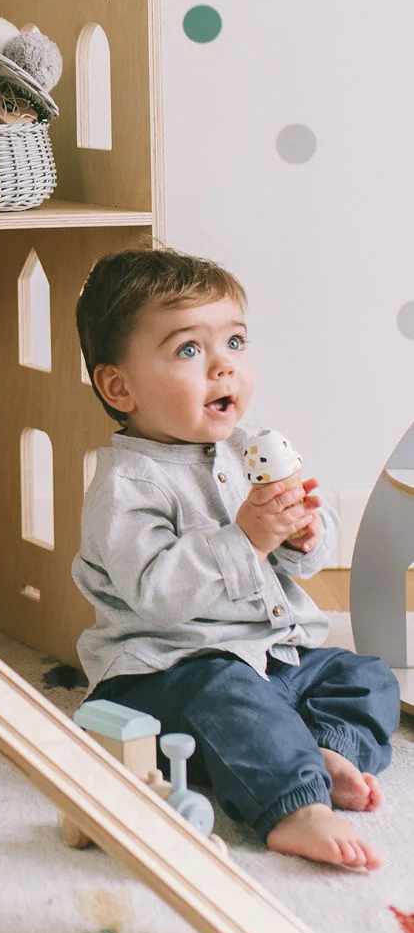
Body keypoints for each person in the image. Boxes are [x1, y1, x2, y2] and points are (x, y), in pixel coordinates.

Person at [71, 246, 399, 870]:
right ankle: (295, 805)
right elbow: (157, 597)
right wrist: (246, 538)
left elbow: (301, 562)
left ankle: (327, 750)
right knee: (227, 696)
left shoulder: (246, 447)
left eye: (236, 342)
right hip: (168, 672)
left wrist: (303, 533)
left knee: (363, 675)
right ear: (120, 386)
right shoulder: (126, 485)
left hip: (271, 655)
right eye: (189, 350)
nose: (224, 366)